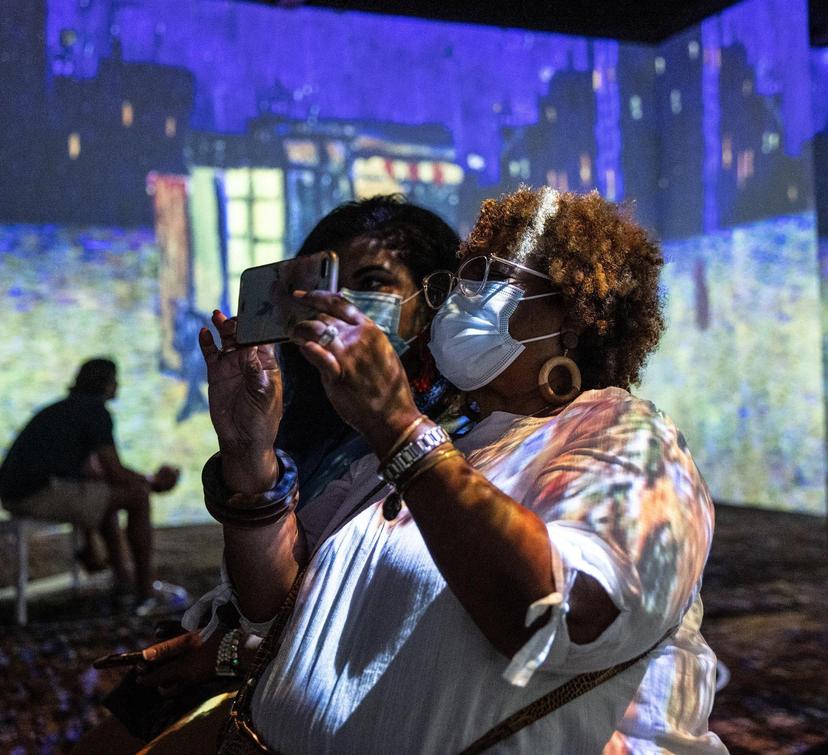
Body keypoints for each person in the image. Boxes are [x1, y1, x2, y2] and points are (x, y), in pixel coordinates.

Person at [187, 186, 724, 753]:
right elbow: (276, 611)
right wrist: (250, 455)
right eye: (456, 281)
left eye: (489, 276)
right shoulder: (433, 445)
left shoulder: (627, 435)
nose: (459, 299)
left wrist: (398, 426)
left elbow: (560, 618)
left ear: (572, 311)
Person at [74, 195, 466, 753]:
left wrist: (230, 654)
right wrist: (248, 448)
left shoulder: (455, 439)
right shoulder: (316, 429)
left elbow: (405, 638)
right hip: (252, 665)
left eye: (372, 281)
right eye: (321, 285)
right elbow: (268, 600)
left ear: (433, 301)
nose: (337, 304)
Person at [0, 358, 179, 612]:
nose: (119, 385)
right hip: (36, 493)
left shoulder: (64, 409)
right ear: (105, 383)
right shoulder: (95, 411)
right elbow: (114, 472)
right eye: (116, 380)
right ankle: (144, 589)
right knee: (137, 496)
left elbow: (99, 476)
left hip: (16, 492)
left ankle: (123, 583)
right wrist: (152, 482)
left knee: (108, 499)